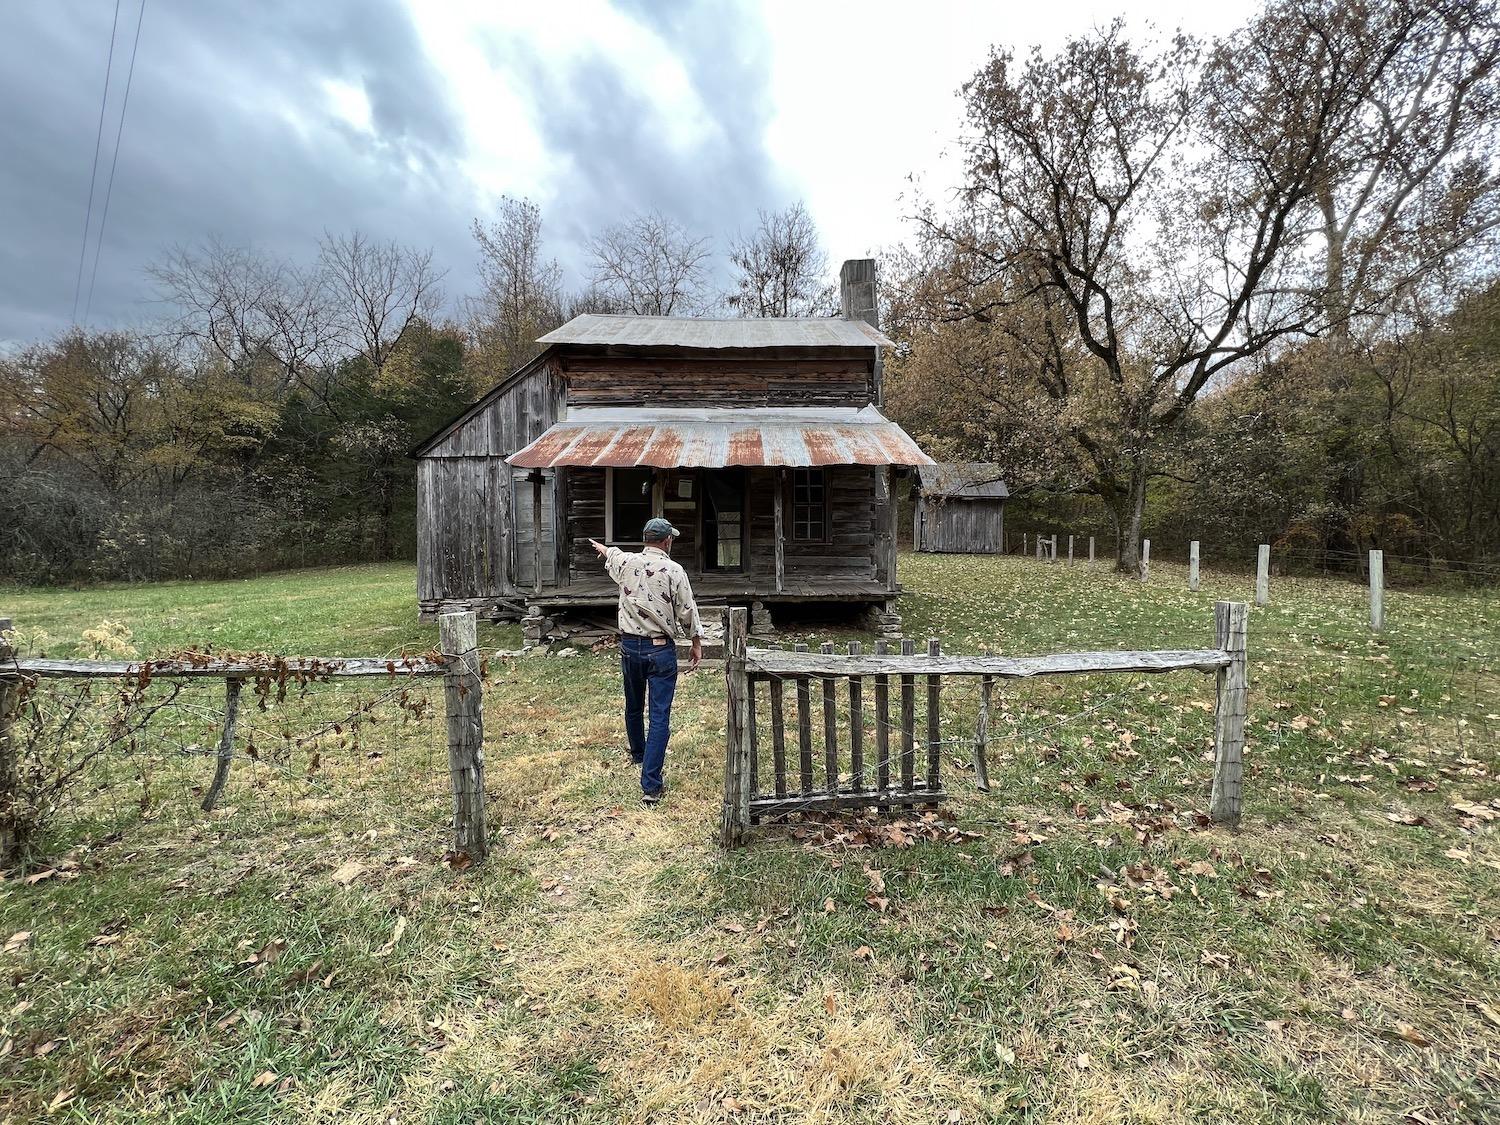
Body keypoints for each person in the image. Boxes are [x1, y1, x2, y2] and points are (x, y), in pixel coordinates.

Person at [590, 517, 704, 805]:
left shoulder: (626, 563)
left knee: (633, 705)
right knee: (659, 716)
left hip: (629, 646)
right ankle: (651, 785)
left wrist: (603, 549)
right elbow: (687, 609)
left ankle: (638, 754)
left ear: (645, 539)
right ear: (667, 541)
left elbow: (612, 554)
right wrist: (696, 643)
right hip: (660, 649)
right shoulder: (674, 570)